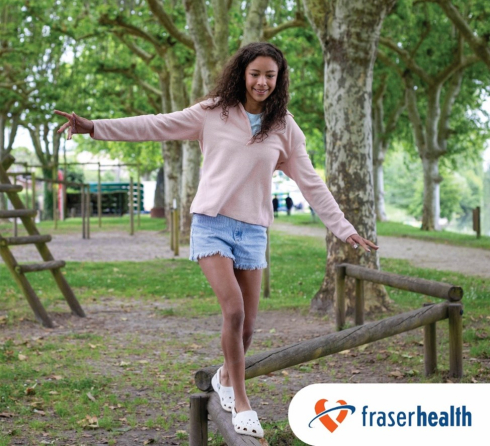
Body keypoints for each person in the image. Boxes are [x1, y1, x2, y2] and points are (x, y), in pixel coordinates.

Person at [55, 42, 378, 439]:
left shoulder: (285, 128)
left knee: (249, 326)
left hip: (253, 232)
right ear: (242, 73)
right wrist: (95, 127)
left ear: (279, 80)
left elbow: (311, 183)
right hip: (211, 224)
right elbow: (156, 124)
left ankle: (226, 376)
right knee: (235, 310)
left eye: (270, 75)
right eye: (255, 73)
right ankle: (241, 399)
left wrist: (344, 227)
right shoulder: (213, 112)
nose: (261, 82)